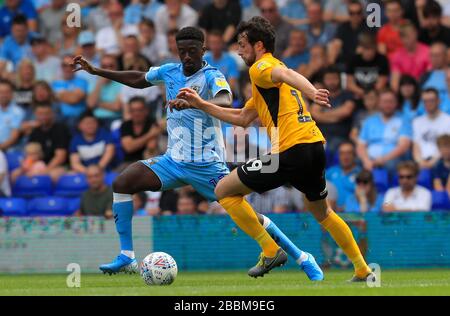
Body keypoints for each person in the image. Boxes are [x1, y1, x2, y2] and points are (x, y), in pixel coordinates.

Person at [71, 26, 322, 280]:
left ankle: (301, 256)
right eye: (182, 52)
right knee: (123, 182)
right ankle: (127, 256)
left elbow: (224, 100)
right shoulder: (169, 71)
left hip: (207, 166)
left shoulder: (212, 76)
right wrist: (98, 71)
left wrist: (196, 102)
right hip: (172, 161)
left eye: (192, 51)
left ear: (203, 50)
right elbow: (139, 78)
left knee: (251, 216)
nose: (187, 56)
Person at [178, 16, 373, 281]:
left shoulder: (262, 67)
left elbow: (288, 74)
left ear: (258, 45)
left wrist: (313, 91)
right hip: (314, 146)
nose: (238, 50)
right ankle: (362, 269)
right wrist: (200, 104)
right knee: (323, 212)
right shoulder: (264, 85)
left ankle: (270, 249)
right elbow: (242, 118)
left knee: (224, 190)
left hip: (291, 151)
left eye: (242, 44)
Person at [357, 89, 412, 175]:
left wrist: (384, 159)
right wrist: (366, 160)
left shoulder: (403, 120)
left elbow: (403, 146)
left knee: (391, 164)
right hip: (369, 159)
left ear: (396, 103)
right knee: (355, 162)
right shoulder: (370, 121)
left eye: (391, 101)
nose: (388, 105)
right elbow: (361, 145)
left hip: (391, 159)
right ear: (379, 103)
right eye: (385, 102)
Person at [28, 103, 70, 181]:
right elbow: (30, 154)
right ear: (35, 115)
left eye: (46, 114)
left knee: (50, 176)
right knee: (16, 174)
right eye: (40, 114)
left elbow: (60, 157)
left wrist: (45, 170)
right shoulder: (34, 132)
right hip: (39, 165)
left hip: (59, 166)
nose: (43, 117)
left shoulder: (60, 129)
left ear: (52, 114)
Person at [412, 88, 450, 169]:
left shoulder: (448, 120)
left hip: (441, 160)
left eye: (431, 100)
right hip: (421, 161)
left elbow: (446, 147)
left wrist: (431, 163)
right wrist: (420, 161)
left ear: (438, 101)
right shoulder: (417, 122)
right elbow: (416, 146)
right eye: (425, 101)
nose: (428, 103)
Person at [326, 141, 362, 211]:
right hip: (333, 213)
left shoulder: (361, 174)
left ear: (354, 155)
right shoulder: (330, 172)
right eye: (342, 153)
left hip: (354, 214)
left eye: (349, 153)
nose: (345, 157)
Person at [0, 79, 25, 152]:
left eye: (6, 92)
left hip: (10, 150)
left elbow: (13, 138)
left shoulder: (18, 112)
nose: (3, 95)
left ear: (12, 94)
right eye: (1, 92)